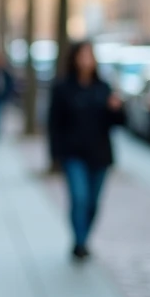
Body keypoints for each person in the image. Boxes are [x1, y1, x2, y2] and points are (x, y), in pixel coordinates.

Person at [48, 40, 125, 260]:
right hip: (73, 155)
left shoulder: (103, 87)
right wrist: (55, 155)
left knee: (92, 203)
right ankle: (79, 242)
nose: (86, 60)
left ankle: (84, 238)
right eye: (82, 55)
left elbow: (117, 123)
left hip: (99, 155)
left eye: (89, 55)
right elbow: (54, 124)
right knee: (79, 198)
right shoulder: (63, 88)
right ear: (73, 58)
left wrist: (117, 109)